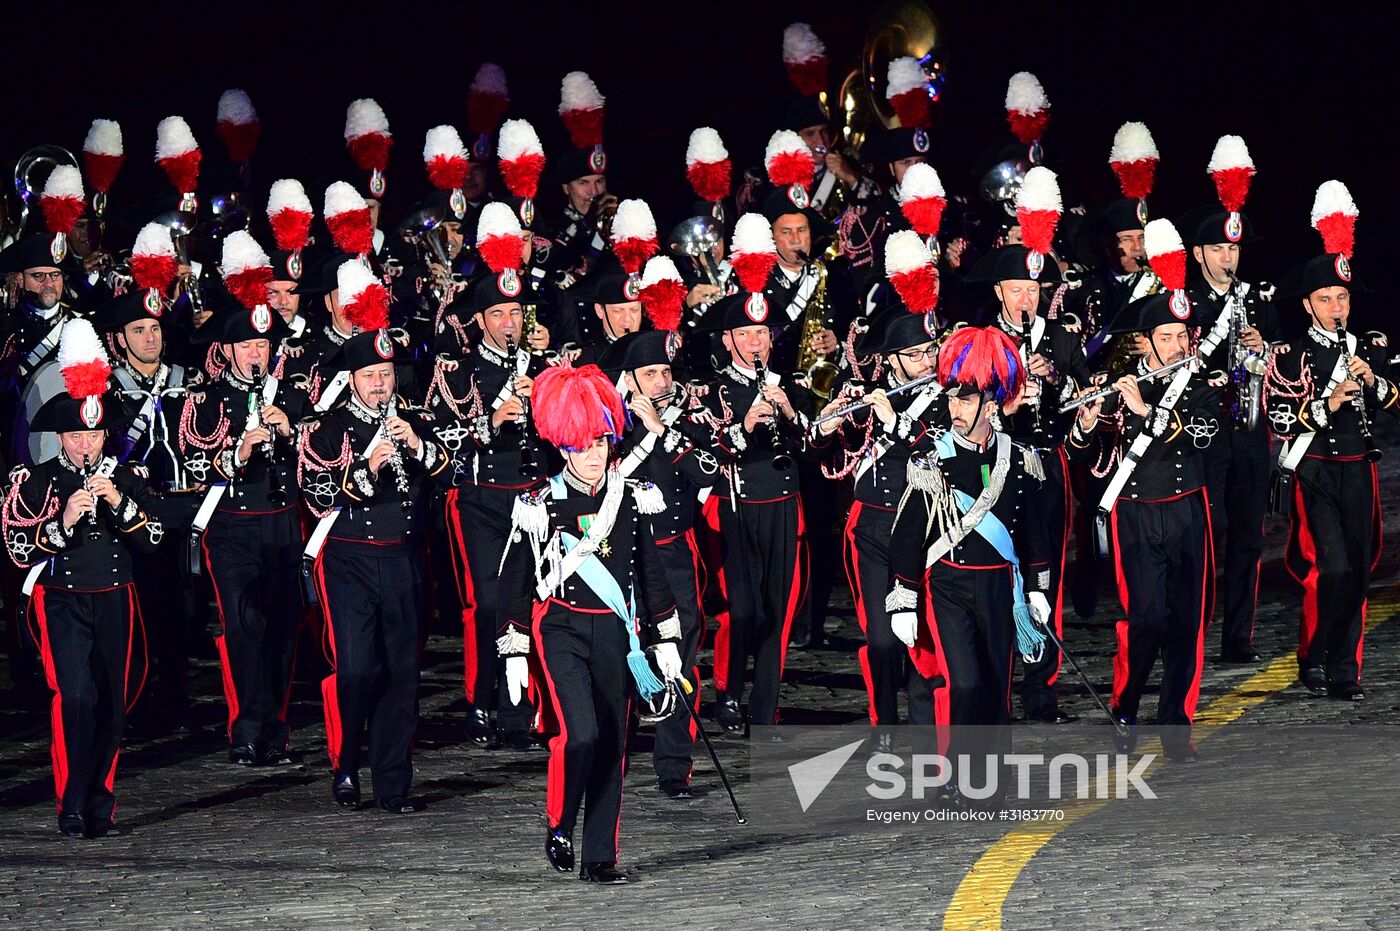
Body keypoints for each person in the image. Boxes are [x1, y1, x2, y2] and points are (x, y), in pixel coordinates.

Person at [498, 364, 683, 884]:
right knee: (580, 735)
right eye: (583, 444)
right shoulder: (540, 503)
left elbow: (649, 568)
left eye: (602, 441)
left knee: (613, 748)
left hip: (617, 635)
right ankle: (560, 824)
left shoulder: (631, 495)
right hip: (560, 629)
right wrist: (513, 644)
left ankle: (600, 857)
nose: (596, 453)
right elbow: (513, 580)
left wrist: (666, 634)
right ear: (563, 446)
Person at [2, 319, 163, 837]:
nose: (86, 444)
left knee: (112, 706)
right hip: (63, 600)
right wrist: (62, 523)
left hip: (116, 598)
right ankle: (71, 804)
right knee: (76, 698)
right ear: (61, 438)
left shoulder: (126, 477)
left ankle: (100, 803)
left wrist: (119, 502)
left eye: (94, 433)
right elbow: (16, 548)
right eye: (77, 435)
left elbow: (157, 539)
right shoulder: (39, 481)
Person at [887, 325, 1051, 808]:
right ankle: (958, 776)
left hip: (1001, 586)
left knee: (997, 684)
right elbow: (906, 537)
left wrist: (1038, 588)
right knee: (965, 682)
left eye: (965, 399)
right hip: (949, 584)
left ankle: (991, 778)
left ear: (991, 401)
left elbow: (1033, 531)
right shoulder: (930, 460)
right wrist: (904, 598)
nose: (954, 409)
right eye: (952, 399)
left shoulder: (1019, 459)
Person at [299, 320, 451, 812]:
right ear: (352, 379)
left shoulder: (412, 420)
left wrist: (418, 447)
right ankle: (344, 761)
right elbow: (315, 493)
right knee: (359, 669)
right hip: (350, 560)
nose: (380, 384)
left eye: (385, 373)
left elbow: (452, 472)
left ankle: (392, 782)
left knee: (403, 674)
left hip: (404, 558)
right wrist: (366, 470)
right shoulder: (327, 429)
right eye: (369, 375)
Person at [1068, 289, 1219, 759]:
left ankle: (1176, 723)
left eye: (1181, 335)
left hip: (1186, 510)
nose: (1177, 345)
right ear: (1144, 343)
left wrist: (1145, 413)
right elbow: (1086, 461)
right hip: (1133, 512)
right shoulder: (1118, 385)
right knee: (1147, 619)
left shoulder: (1202, 384)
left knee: (1186, 621)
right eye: (1165, 336)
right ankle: (1126, 702)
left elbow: (1201, 436)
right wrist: (1089, 423)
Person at [1264, 197, 1394, 702]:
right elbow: (1278, 419)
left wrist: (1375, 385)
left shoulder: (1371, 347)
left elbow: (1397, 400)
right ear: (1306, 305)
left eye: (1342, 298)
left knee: (1358, 571)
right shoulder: (1291, 355)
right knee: (1332, 567)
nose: (1336, 309)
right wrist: (1327, 402)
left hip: (1359, 469)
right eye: (1325, 300)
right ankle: (1312, 654)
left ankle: (1345, 669)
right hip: (1315, 471)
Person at [180, 291, 307, 766]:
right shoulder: (205, 400)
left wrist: (290, 434)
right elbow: (192, 459)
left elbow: (323, 460)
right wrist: (237, 452)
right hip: (231, 525)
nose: (257, 353)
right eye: (247, 345)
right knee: (244, 624)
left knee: (283, 628)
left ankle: (275, 727)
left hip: (282, 523)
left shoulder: (293, 395)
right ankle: (246, 728)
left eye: (263, 344)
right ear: (228, 350)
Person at [966, 244, 1092, 722]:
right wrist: (1012, 387)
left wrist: (1058, 379)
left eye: (1034, 290)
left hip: (1047, 465)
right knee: (995, 570)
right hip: (995, 464)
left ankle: (1041, 689)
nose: (1026, 299)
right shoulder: (983, 340)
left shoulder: (1058, 336)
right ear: (999, 291)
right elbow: (964, 404)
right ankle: (990, 681)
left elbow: (1087, 387)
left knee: (1046, 574)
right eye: (1017, 289)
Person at [813, 305, 944, 748]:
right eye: (916, 354)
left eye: (931, 350)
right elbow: (829, 456)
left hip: (929, 528)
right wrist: (827, 426)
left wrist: (897, 422)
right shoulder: (863, 396)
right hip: (872, 528)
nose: (928, 361)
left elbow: (944, 445)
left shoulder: (948, 396)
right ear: (891, 360)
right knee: (884, 639)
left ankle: (928, 731)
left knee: (924, 637)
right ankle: (884, 721)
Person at [427, 271, 547, 748]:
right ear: (479, 320)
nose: (509, 322)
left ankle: (524, 707)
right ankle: (480, 700)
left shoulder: (542, 366)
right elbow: (440, 443)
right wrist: (493, 419)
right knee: (489, 603)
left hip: (535, 495)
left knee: (536, 599)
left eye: (516, 312)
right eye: (498, 313)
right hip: (481, 498)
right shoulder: (456, 372)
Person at [599, 330, 720, 798]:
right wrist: (646, 436)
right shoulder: (609, 424)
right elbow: (609, 477)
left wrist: (665, 434)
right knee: (622, 653)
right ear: (628, 380)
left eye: (666, 372)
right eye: (650, 374)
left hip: (674, 551)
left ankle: (674, 765)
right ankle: (614, 756)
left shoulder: (684, 421)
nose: (661, 382)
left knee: (681, 657)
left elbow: (709, 470)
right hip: (623, 556)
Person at [695, 286, 817, 732]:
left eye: (762, 333)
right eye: (745, 334)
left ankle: (764, 704)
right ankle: (728, 691)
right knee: (743, 610)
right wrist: (744, 426)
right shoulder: (713, 390)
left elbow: (812, 447)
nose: (755, 342)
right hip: (734, 505)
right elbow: (706, 454)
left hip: (783, 505)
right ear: (727, 339)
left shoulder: (790, 385)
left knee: (778, 610)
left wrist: (789, 412)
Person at [1179, 205, 1279, 663]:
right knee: (1205, 533)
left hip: (1250, 429)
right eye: (1217, 248)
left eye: (1232, 248)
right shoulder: (1183, 302)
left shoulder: (1258, 299)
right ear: (1199, 253)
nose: (1227, 257)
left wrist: (1265, 348)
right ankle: (1192, 630)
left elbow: (1281, 363)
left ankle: (1239, 637)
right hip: (1205, 431)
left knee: (1248, 536)